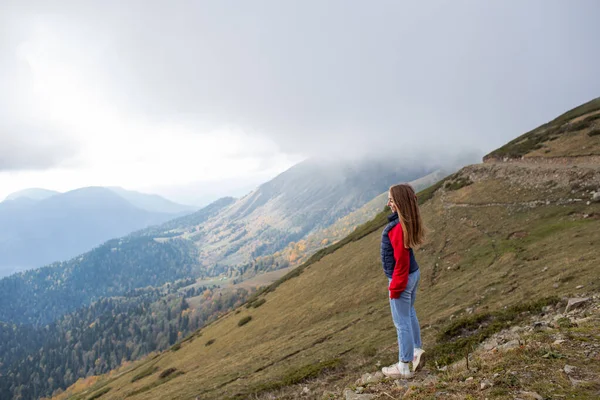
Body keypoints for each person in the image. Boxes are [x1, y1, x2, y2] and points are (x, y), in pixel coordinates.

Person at [380, 183, 425, 379]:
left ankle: (403, 366)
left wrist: (395, 288)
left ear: (398, 202)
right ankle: (416, 351)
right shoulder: (406, 222)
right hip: (413, 275)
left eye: (391, 199)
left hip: (402, 278)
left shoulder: (396, 228)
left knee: (401, 322)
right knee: (410, 313)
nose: (388, 203)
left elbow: (401, 260)